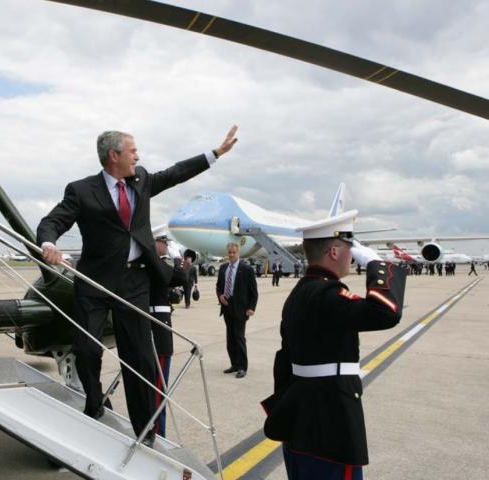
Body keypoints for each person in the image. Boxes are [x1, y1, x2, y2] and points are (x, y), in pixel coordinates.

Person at [37, 126, 238, 445]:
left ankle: (145, 431)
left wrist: (214, 154)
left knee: (141, 357)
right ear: (113, 156)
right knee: (87, 349)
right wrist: (48, 244)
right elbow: (52, 222)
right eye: (132, 151)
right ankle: (95, 401)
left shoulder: (141, 180)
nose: (138, 156)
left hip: (134, 282)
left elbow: (175, 174)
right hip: (95, 282)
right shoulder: (81, 190)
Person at [262, 210, 407, 480]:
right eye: (350, 249)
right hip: (329, 423)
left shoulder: (301, 292)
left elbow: (284, 359)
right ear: (333, 251)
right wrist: (377, 264)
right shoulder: (327, 293)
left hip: (300, 416)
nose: (352, 256)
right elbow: (386, 313)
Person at [149, 235, 186, 437]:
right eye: (164, 241)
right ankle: (157, 432)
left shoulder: (152, 264)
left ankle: (153, 429)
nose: (167, 245)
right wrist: (177, 258)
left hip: (152, 326)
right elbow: (182, 278)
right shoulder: (155, 264)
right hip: (158, 329)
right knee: (158, 387)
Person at [216, 242, 258, 379]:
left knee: (239, 337)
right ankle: (234, 363)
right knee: (230, 338)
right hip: (227, 306)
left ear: (238, 253)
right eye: (229, 253)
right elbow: (218, 286)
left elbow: (254, 292)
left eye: (234, 252)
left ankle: (242, 367)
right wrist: (220, 296)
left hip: (241, 308)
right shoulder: (223, 268)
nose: (231, 255)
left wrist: (251, 308)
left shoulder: (246, 269)